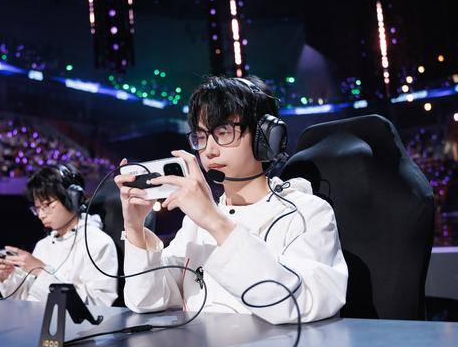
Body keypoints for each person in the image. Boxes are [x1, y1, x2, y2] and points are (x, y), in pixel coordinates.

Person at [115, 75, 348, 325]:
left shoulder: (308, 213)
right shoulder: (196, 222)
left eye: (224, 132)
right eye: (201, 136)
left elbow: (298, 304)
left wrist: (215, 221)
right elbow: (147, 300)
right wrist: (134, 229)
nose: (209, 150)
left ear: (264, 138)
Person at [0, 164, 118, 306]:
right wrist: (9, 277)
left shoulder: (98, 243)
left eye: (46, 205)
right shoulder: (43, 245)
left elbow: (99, 303)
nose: (41, 215)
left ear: (72, 198)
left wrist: (42, 271)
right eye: (37, 208)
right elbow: (28, 297)